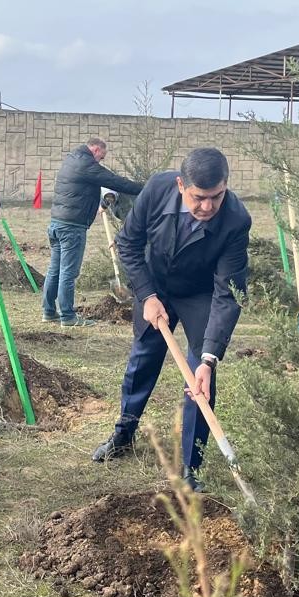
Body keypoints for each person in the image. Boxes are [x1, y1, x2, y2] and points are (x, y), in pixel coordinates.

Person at [91, 148, 251, 488]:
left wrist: (209, 357)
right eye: (198, 198)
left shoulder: (236, 220)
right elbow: (129, 244)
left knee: (199, 378)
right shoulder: (157, 190)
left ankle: (191, 467)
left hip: (201, 293)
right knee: (143, 358)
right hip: (156, 285)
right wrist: (147, 295)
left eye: (217, 197)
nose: (208, 207)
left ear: (226, 187)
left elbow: (229, 292)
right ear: (181, 185)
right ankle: (124, 433)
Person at [43, 137, 143, 326]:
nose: (101, 161)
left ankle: (49, 312)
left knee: (54, 269)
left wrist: (104, 203)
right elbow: (114, 181)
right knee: (68, 272)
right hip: (72, 226)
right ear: (96, 150)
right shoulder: (87, 164)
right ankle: (68, 316)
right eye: (102, 157)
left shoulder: (72, 159)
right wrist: (144, 188)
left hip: (57, 223)